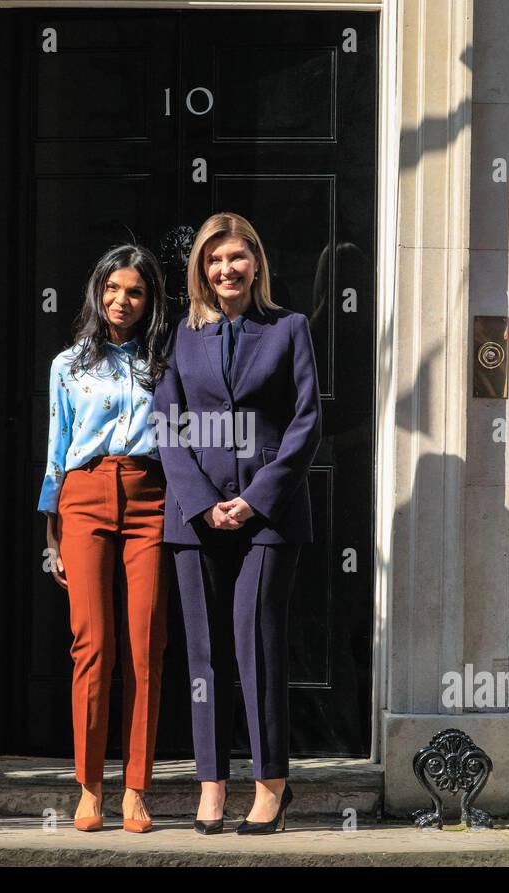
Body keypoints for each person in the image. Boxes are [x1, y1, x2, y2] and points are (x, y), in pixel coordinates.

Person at [152, 212, 321, 834]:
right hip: (194, 520)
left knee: (257, 646)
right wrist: (201, 501)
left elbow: (307, 423)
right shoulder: (180, 336)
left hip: (269, 518)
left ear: (256, 263)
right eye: (214, 260)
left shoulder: (290, 329)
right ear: (201, 269)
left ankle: (272, 784)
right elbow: (168, 426)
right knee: (204, 655)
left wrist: (253, 499)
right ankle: (211, 786)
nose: (226, 270)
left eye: (236, 258)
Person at [37, 244, 170, 833]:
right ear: (98, 292)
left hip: (151, 497)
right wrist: (52, 529)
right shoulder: (67, 365)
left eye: (135, 292)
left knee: (145, 646)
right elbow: (55, 447)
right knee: (92, 645)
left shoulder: (166, 360)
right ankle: (89, 785)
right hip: (83, 497)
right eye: (113, 289)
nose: (122, 301)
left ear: (149, 301)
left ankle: (136, 788)